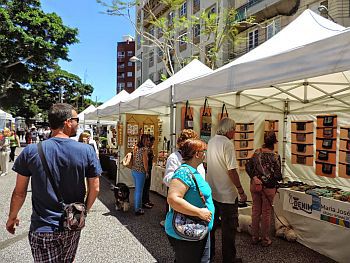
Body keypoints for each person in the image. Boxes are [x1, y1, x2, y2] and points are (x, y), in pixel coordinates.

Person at [6, 103, 101, 262]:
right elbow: (95, 188)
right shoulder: (87, 151)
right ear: (68, 122)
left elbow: (19, 192)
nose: (78, 123)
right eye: (76, 119)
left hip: (43, 227)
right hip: (72, 224)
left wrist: (12, 217)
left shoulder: (31, 151)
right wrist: (83, 212)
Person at [166, 139, 214, 263]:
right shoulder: (184, 172)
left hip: (199, 229)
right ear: (197, 154)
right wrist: (199, 212)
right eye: (204, 151)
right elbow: (173, 199)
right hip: (188, 231)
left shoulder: (193, 171)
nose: (205, 154)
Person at [206, 117, 247, 263]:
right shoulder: (227, 144)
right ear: (229, 130)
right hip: (227, 195)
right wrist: (241, 190)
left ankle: (209, 255)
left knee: (211, 227)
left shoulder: (211, 142)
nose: (235, 132)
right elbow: (232, 171)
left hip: (212, 192)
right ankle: (229, 259)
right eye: (234, 129)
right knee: (229, 229)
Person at [161, 129, 206, 226]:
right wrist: (182, 180)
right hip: (183, 198)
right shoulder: (174, 157)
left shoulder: (197, 157)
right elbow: (167, 178)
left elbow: (201, 175)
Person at [246, 131, 282, 247]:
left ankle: (255, 237)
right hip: (268, 188)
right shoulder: (276, 156)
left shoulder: (257, 152)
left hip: (255, 185)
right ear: (274, 142)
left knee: (255, 211)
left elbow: (248, 166)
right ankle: (265, 240)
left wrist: (256, 178)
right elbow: (277, 175)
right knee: (266, 213)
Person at [131, 134, 150, 215]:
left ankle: (137, 206)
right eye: (148, 140)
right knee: (139, 191)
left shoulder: (137, 148)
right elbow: (145, 163)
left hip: (134, 170)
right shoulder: (144, 150)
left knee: (137, 190)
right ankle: (137, 209)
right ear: (145, 141)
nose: (149, 142)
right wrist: (147, 172)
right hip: (140, 171)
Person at [142, 135, 155, 209]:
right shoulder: (146, 149)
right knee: (145, 186)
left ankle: (147, 200)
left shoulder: (149, 148)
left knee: (147, 185)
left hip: (149, 169)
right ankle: (144, 201)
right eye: (150, 141)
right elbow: (145, 161)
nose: (152, 143)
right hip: (146, 169)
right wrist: (146, 171)